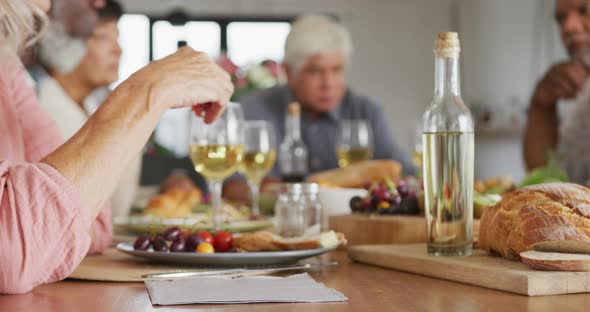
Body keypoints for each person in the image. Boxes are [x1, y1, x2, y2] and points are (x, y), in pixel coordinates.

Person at [0, 0, 232, 294]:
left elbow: (94, 218)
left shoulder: (7, 68)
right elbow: (13, 255)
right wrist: (146, 91)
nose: (97, 3)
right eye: (102, 37)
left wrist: (49, 225)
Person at [223, 14, 414, 202]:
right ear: (289, 72)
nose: (328, 83)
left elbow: (404, 174)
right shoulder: (254, 109)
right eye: (315, 71)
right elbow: (231, 186)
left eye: (337, 70)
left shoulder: (367, 112)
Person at [37, 1, 140, 218]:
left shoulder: (97, 107)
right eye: (103, 37)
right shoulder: (37, 107)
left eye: (117, 38)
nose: (118, 49)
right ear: (61, 41)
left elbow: (115, 205)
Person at [524, 0, 590, 185]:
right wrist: (541, 104)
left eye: (583, 9)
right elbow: (544, 175)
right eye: (561, 19)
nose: (568, 27)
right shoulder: (584, 95)